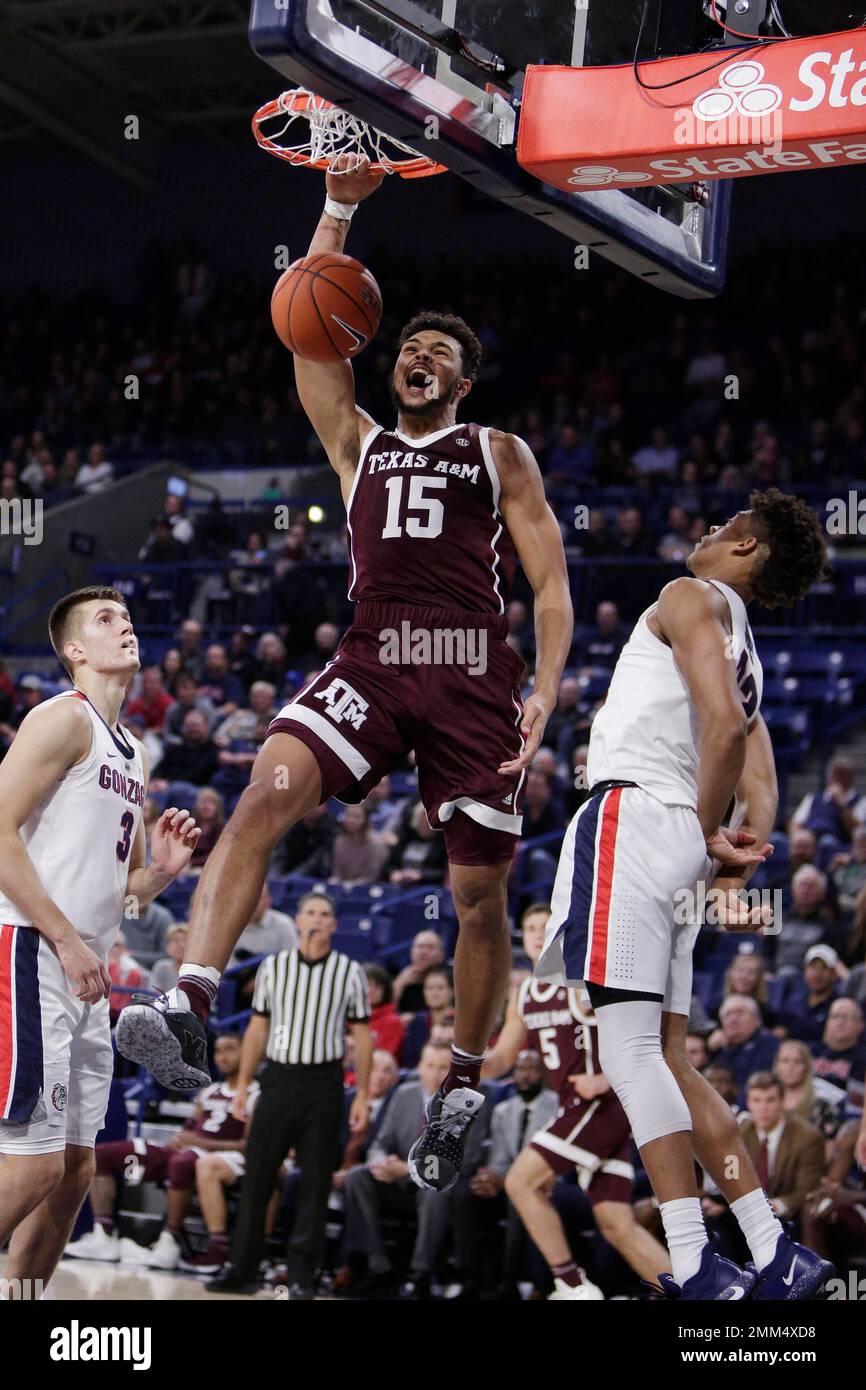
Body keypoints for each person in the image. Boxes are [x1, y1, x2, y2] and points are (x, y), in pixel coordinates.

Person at [116, 152, 573, 1203]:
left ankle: (460, 1081)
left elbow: (548, 584)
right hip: (372, 654)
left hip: (465, 667)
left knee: (474, 892)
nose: (415, 355)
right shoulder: (356, 443)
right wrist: (334, 212)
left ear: (459, 381)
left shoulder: (497, 451)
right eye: (405, 343)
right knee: (263, 793)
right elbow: (309, 336)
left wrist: (545, 684)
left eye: (435, 352)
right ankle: (188, 1001)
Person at [536, 492, 833, 1300]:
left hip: (635, 818)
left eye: (723, 526)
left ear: (747, 548)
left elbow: (726, 736)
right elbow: (762, 792)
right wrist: (720, 866)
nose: (704, 532)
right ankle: (773, 1249)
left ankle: (697, 1260)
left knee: (629, 1053)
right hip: (676, 850)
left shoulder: (686, 596)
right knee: (667, 1054)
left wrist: (704, 833)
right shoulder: (751, 658)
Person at [0, 585, 200, 1297]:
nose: (127, 628)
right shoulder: (61, 720)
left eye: (128, 618)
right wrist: (65, 940)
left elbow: (122, 889)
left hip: (82, 969)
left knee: (76, 1171)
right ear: (74, 651)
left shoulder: (134, 752)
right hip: (31, 949)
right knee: (33, 1165)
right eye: (107, 621)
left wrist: (162, 877)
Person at [485, 903, 670, 1299]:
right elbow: (502, 1058)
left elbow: (640, 1027)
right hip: (580, 1109)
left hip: (602, 1104)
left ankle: (572, 1286)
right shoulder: (525, 991)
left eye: (543, 925)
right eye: (529, 927)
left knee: (520, 1182)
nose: (536, 933)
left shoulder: (580, 976)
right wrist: (467, 1061)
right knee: (616, 1222)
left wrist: (604, 1078)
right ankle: (693, 1292)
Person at [205, 893, 372, 1298]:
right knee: (258, 1176)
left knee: (314, 1182)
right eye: (311, 912)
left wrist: (364, 1094)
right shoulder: (273, 968)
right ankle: (243, 1270)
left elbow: (362, 1037)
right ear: (298, 920)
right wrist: (244, 1085)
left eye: (325, 914)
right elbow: (258, 1029)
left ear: (334, 924)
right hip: (278, 1079)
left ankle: (301, 1276)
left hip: (324, 1083)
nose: (317, 920)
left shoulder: (349, 972)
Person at [64, 1035, 256, 1273]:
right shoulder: (209, 1091)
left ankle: (170, 1239)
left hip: (219, 1159)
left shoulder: (256, 1094)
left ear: (247, 1053)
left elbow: (252, 1146)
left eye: (230, 1049)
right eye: (218, 1051)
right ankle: (103, 1235)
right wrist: (184, 1138)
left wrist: (201, 1143)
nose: (223, 1057)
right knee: (105, 1154)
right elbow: (190, 1128)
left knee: (181, 1162)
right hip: (186, 1152)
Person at [339, 1041, 490, 1298]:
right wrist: (380, 1163)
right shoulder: (404, 1094)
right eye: (429, 1066)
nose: (434, 1073)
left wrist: (407, 1170)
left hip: (441, 1186)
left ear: (453, 1073)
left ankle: (420, 1273)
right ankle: (378, 1265)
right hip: (398, 1184)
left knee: (435, 1189)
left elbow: (468, 1158)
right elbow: (380, 1144)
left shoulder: (470, 1101)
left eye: (443, 1067)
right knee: (357, 1177)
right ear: (419, 1067)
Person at [470, 1049, 557, 1297]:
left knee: (521, 1197)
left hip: (545, 1181)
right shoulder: (503, 1111)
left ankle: (517, 1282)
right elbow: (499, 1159)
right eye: (520, 1069)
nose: (524, 1076)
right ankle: (477, 1279)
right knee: (472, 1193)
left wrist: (509, 1180)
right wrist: (492, 1177)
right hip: (511, 1180)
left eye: (531, 1069)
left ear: (543, 1074)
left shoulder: (557, 1107)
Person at [740, 1072, 825, 1226]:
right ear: (748, 1103)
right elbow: (732, 1176)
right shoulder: (741, 1133)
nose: (763, 1107)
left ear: (782, 1102)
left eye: (770, 1100)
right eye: (756, 1100)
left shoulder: (807, 1138)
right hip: (747, 1212)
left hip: (789, 1217)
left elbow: (807, 1190)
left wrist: (776, 1205)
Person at [710, 996, 781, 1097]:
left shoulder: (768, 1044)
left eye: (739, 1013)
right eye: (727, 1015)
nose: (733, 1019)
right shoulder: (719, 1049)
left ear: (757, 1019)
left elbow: (758, 1084)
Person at [363, 964, 406, 1062]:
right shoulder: (346, 1019)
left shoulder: (392, 1022)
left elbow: (384, 1059)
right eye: (366, 985)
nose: (370, 991)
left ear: (385, 991)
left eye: (377, 987)